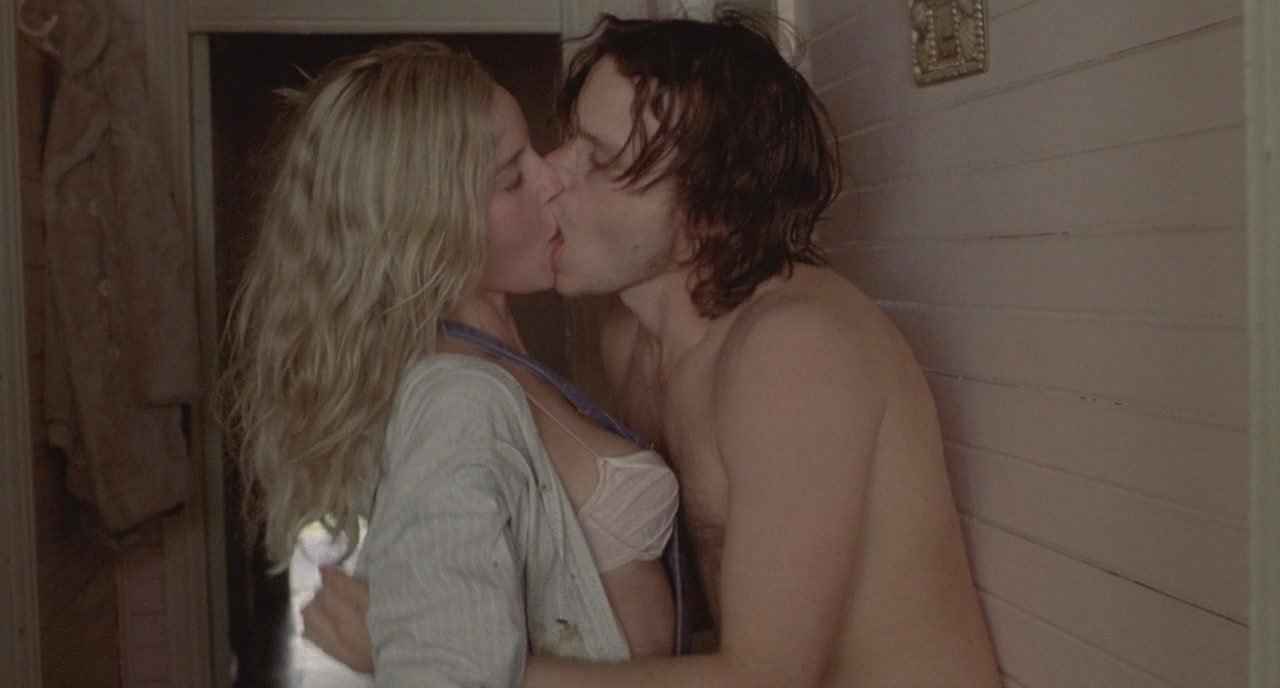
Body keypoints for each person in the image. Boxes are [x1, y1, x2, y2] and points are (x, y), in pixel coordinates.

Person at [308, 9, 1002, 687]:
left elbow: (764, 678)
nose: (554, 172)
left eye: (600, 160)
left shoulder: (794, 351)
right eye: (569, 138)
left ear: (707, 213)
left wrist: (436, 652)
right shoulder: (628, 340)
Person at [220, 40, 682, 687]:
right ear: (431, 221)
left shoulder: (486, 360)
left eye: (532, 149)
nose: (551, 178)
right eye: (512, 176)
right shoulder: (454, 402)